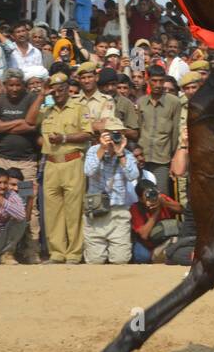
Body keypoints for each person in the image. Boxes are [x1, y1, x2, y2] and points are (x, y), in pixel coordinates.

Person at [0, 69, 42, 263]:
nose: (14, 88)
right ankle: (1, 251)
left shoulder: (31, 99)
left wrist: (7, 123)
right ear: (5, 85)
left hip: (26, 164)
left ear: (23, 85)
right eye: (10, 84)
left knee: (29, 205)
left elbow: (32, 125)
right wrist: (20, 121)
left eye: (18, 84)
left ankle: (32, 250)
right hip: (1, 161)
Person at [38, 72, 91, 264]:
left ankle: (74, 253)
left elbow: (87, 133)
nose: (58, 93)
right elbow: (30, 121)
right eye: (54, 89)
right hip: (51, 162)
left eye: (61, 89)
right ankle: (57, 253)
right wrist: (41, 95)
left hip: (72, 161)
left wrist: (64, 138)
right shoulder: (46, 109)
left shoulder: (78, 108)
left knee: (73, 211)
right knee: (52, 212)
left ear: (68, 89)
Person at [83, 118, 138, 264]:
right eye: (111, 134)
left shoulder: (127, 154)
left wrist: (120, 154)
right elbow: (89, 171)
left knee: (120, 260)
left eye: (118, 134)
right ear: (103, 135)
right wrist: (102, 148)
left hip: (118, 213)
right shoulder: (93, 151)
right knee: (95, 261)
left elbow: (133, 176)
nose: (114, 138)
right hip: (96, 212)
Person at [136, 65, 181, 194]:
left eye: (161, 81)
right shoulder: (141, 102)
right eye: (154, 81)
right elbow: (138, 129)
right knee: (142, 195)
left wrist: (174, 159)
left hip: (162, 160)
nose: (158, 84)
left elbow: (175, 132)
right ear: (148, 80)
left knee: (161, 196)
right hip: (142, 159)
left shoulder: (174, 102)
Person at [131, 179, 182, 263]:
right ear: (140, 199)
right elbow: (144, 235)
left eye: (154, 193)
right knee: (143, 257)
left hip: (164, 238)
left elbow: (181, 209)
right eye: (147, 195)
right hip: (147, 244)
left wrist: (164, 203)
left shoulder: (162, 198)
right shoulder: (135, 208)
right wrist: (156, 212)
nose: (152, 196)